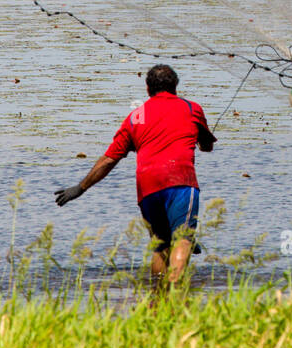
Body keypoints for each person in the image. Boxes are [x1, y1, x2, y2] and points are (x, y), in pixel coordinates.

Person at [56, 64, 215, 285]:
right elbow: (207, 146)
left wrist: (80, 188)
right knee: (183, 241)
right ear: (175, 87)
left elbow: (109, 159)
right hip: (180, 182)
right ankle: (176, 296)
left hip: (147, 188)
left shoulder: (134, 117)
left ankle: (157, 296)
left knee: (160, 246)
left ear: (148, 89)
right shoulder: (191, 109)